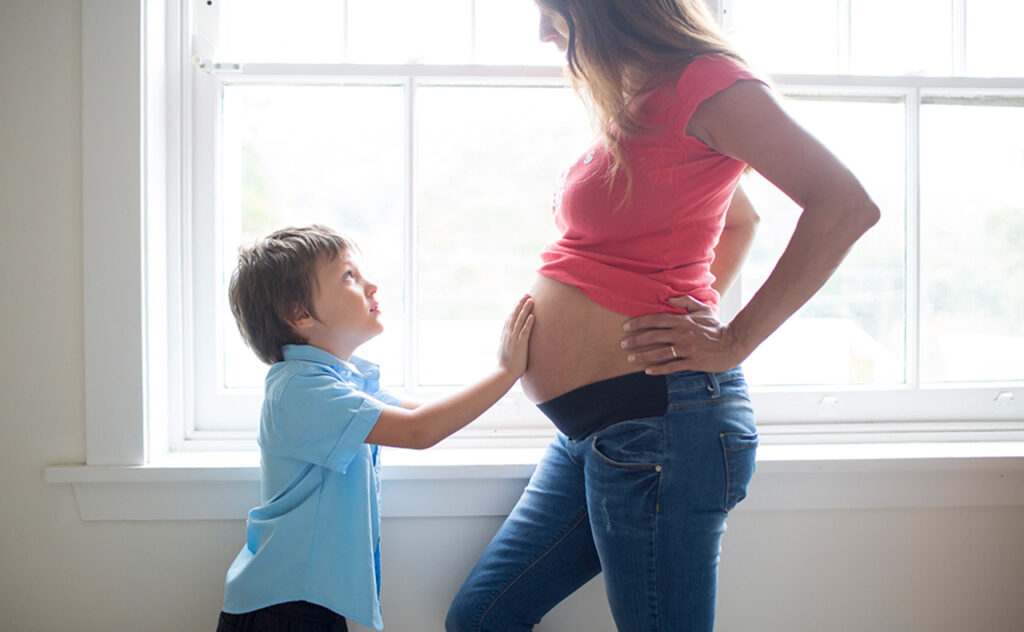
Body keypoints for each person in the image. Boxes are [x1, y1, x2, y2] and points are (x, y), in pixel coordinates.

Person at [446, 1, 880, 631]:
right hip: (595, 434)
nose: (544, 32)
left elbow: (845, 205)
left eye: (554, 10)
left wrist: (732, 340)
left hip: (661, 429)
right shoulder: (641, 99)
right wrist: (683, 305)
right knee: (481, 618)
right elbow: (738, 221)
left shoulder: (705, 80)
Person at [217, 225, 535, 632]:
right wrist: (507, 370)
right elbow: (420, 431)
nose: (371, 285)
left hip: (307, 599)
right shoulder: (301, 389)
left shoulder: (337, 382)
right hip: (283, 606)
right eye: (349, 276)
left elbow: (431, 414)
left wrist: (517, 386)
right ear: (300, 314)